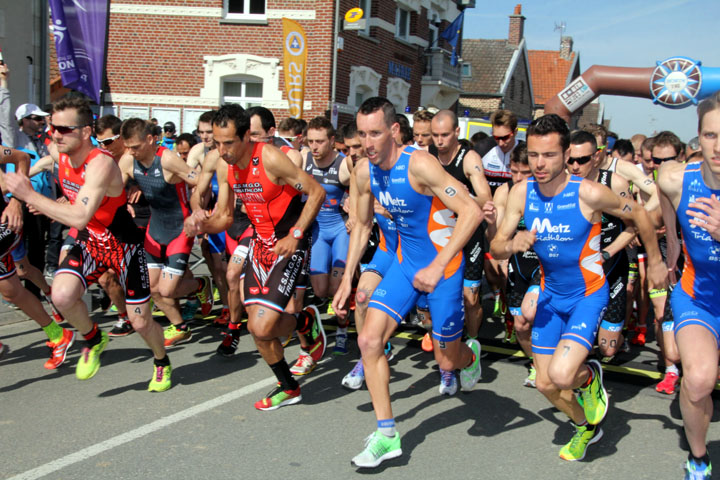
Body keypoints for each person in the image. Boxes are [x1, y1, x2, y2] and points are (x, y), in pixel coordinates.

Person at [490, 114, 667, 462]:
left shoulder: (589, 192)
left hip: (587, 294)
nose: (539, 164)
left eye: (549, 155)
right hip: (550, 294)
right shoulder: (521, 192)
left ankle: (589, 379)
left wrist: (657, 262)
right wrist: (513, 244)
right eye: (534, 155)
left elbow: (641, 216)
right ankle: (586, 426)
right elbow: (496, 245)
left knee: (561, 373)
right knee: (544, 383)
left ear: (566, 153)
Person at [333, 97, 483, 468]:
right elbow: (364, 225)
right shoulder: (364, 171)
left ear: (394, 131)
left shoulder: (419, 164)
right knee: (368, 340)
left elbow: (472, 211)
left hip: (442, 267)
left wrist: (438, 266)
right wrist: (347, 278)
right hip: (403, 264)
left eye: (375, 133)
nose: (367, 142)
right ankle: (387, 435)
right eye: (362, 134)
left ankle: (469, 355)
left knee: (447, 357)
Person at [6, 96, 172, 391]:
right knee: (61, 295)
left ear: (84, 132)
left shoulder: (102, 164)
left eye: (63, 129)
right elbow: (28, 167)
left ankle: (161, 361)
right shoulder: (58, 154)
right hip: (90, 241)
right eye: (52, 127)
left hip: (124, 245)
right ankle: (93, 337)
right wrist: (25, 196)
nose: (55, 134)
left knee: (140, 322)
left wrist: (33, 198)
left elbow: (80, 215)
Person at [184, 103, 327, 410]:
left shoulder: (271, 158)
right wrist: (201, 224)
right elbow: (223, 216)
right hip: (260, 244)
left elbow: (316, 192)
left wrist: (296, 234)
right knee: (258, 329)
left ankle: (300, 333)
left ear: (247, 136)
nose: (222, 150)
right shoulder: (226, 166)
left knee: (261, 328)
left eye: (229, 143)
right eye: (217, 143)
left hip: (290, 243)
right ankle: (291, 377)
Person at [656, 91, 720, 480]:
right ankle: (698, 459)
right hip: (700, 297)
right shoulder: (675, 177)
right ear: (698, 136)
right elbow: (664, 199)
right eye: (711, 135)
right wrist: (671, 250)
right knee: (697, 381)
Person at [119, 118, 211, 347]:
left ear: (150, 140)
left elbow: (200, 181)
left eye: (136, 147)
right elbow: (112, 188)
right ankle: (180, 327)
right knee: (152, 288)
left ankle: (201, 285)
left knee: (166, 290)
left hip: (180, 229)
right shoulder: (128, 160)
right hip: (156, 228)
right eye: (127, 147)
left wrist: (196, 210)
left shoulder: (167, 159)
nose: (131, 152)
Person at [429, 110, 492, 365]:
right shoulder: (428, 157)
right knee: (439, 291)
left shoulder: (469, 158)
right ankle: (446, 338)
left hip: (469, 233)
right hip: (440, 233)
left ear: (457, 133)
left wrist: (462, 197)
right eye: (435, 135)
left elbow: (486, 199)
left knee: (471, 296)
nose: (439, 141)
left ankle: (473, 341)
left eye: (445, 135)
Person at [485, 143, 539, 386]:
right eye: (514, 171)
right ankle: (538, 364)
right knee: (521, 324)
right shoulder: (504, 192)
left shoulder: (548, 190)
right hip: (519, 263)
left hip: (547, 265)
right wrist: (491, 223)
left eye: (525, 173)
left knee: (536, 314)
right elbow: (495, 240)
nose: (518, 178)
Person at [302, 116, 352, 359]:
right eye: (310, 141)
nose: (314, 147)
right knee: (321, 291)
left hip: (340, 231)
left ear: (332, 141)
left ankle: (342, 330)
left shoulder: (343, 165)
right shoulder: (303, 159)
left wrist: (354, 202)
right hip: (319, 232)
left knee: (337, 290)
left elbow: (365, 189)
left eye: (320, 141)